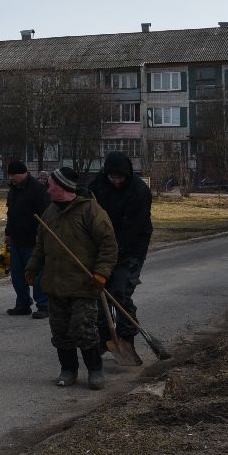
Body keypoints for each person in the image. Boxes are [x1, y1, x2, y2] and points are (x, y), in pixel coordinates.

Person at [26, 165, 117, 390]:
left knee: (83, 329)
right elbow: (40, 246)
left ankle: (95, 371)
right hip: (56, 285)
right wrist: (32, 267)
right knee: (60, 331)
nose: (47, 191)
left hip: (84, 284)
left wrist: (101, 273)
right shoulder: (49, 214)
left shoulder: (91, 211)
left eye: (51, 186)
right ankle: (68, 370)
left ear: (64, 187)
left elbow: (108, 245)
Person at [88, 151, 154, 361]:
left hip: (132, 246)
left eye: (119, 178)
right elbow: (87, 203)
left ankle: (126, 337)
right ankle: (104, 337)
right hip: (103, 244)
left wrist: (113, 251)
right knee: (100, 291)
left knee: (120, 293)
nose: (115, 181)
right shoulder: (99, 183)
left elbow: (131, 229)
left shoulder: (140, 192)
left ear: (127, 175)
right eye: (112, 177)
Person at [3, 160, 51, 318]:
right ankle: (23, 304)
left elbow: (45, 214)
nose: (11, 178)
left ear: (23, 173)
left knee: (37, 274)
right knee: (17, 275)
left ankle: (44, 306)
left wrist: (41, 236)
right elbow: (11, 213)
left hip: (33, 241)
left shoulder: (37, 189)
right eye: (10, 176)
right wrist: (8, 233)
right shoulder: (14, 189)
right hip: (16, 239)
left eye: (14, 175)